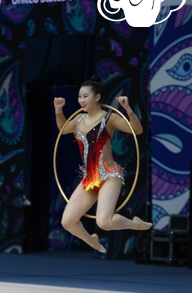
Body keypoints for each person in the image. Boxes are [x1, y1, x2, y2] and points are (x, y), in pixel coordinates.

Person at [54, 75, 152, 253]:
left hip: (109, 174)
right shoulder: (78, 120)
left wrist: (128, 109)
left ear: (97, 97)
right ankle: (91, 240)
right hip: (90, 178)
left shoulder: (110, 118)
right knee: (67, 221)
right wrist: (59, 111)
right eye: (79, 97)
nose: (81, 100)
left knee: (104, 222)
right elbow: (62, 129)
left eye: (85, 96)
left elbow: (137, 130)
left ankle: (134, 223)